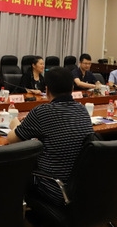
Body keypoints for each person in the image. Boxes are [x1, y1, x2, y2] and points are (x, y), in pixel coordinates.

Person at [8, 67, 93, 206]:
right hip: (80, 187)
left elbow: (12, 139)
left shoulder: (42, 112)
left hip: (54, 187)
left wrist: (15, 123)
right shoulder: (82, 109)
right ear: (72, 88)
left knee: (15, 170)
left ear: (47, 90)